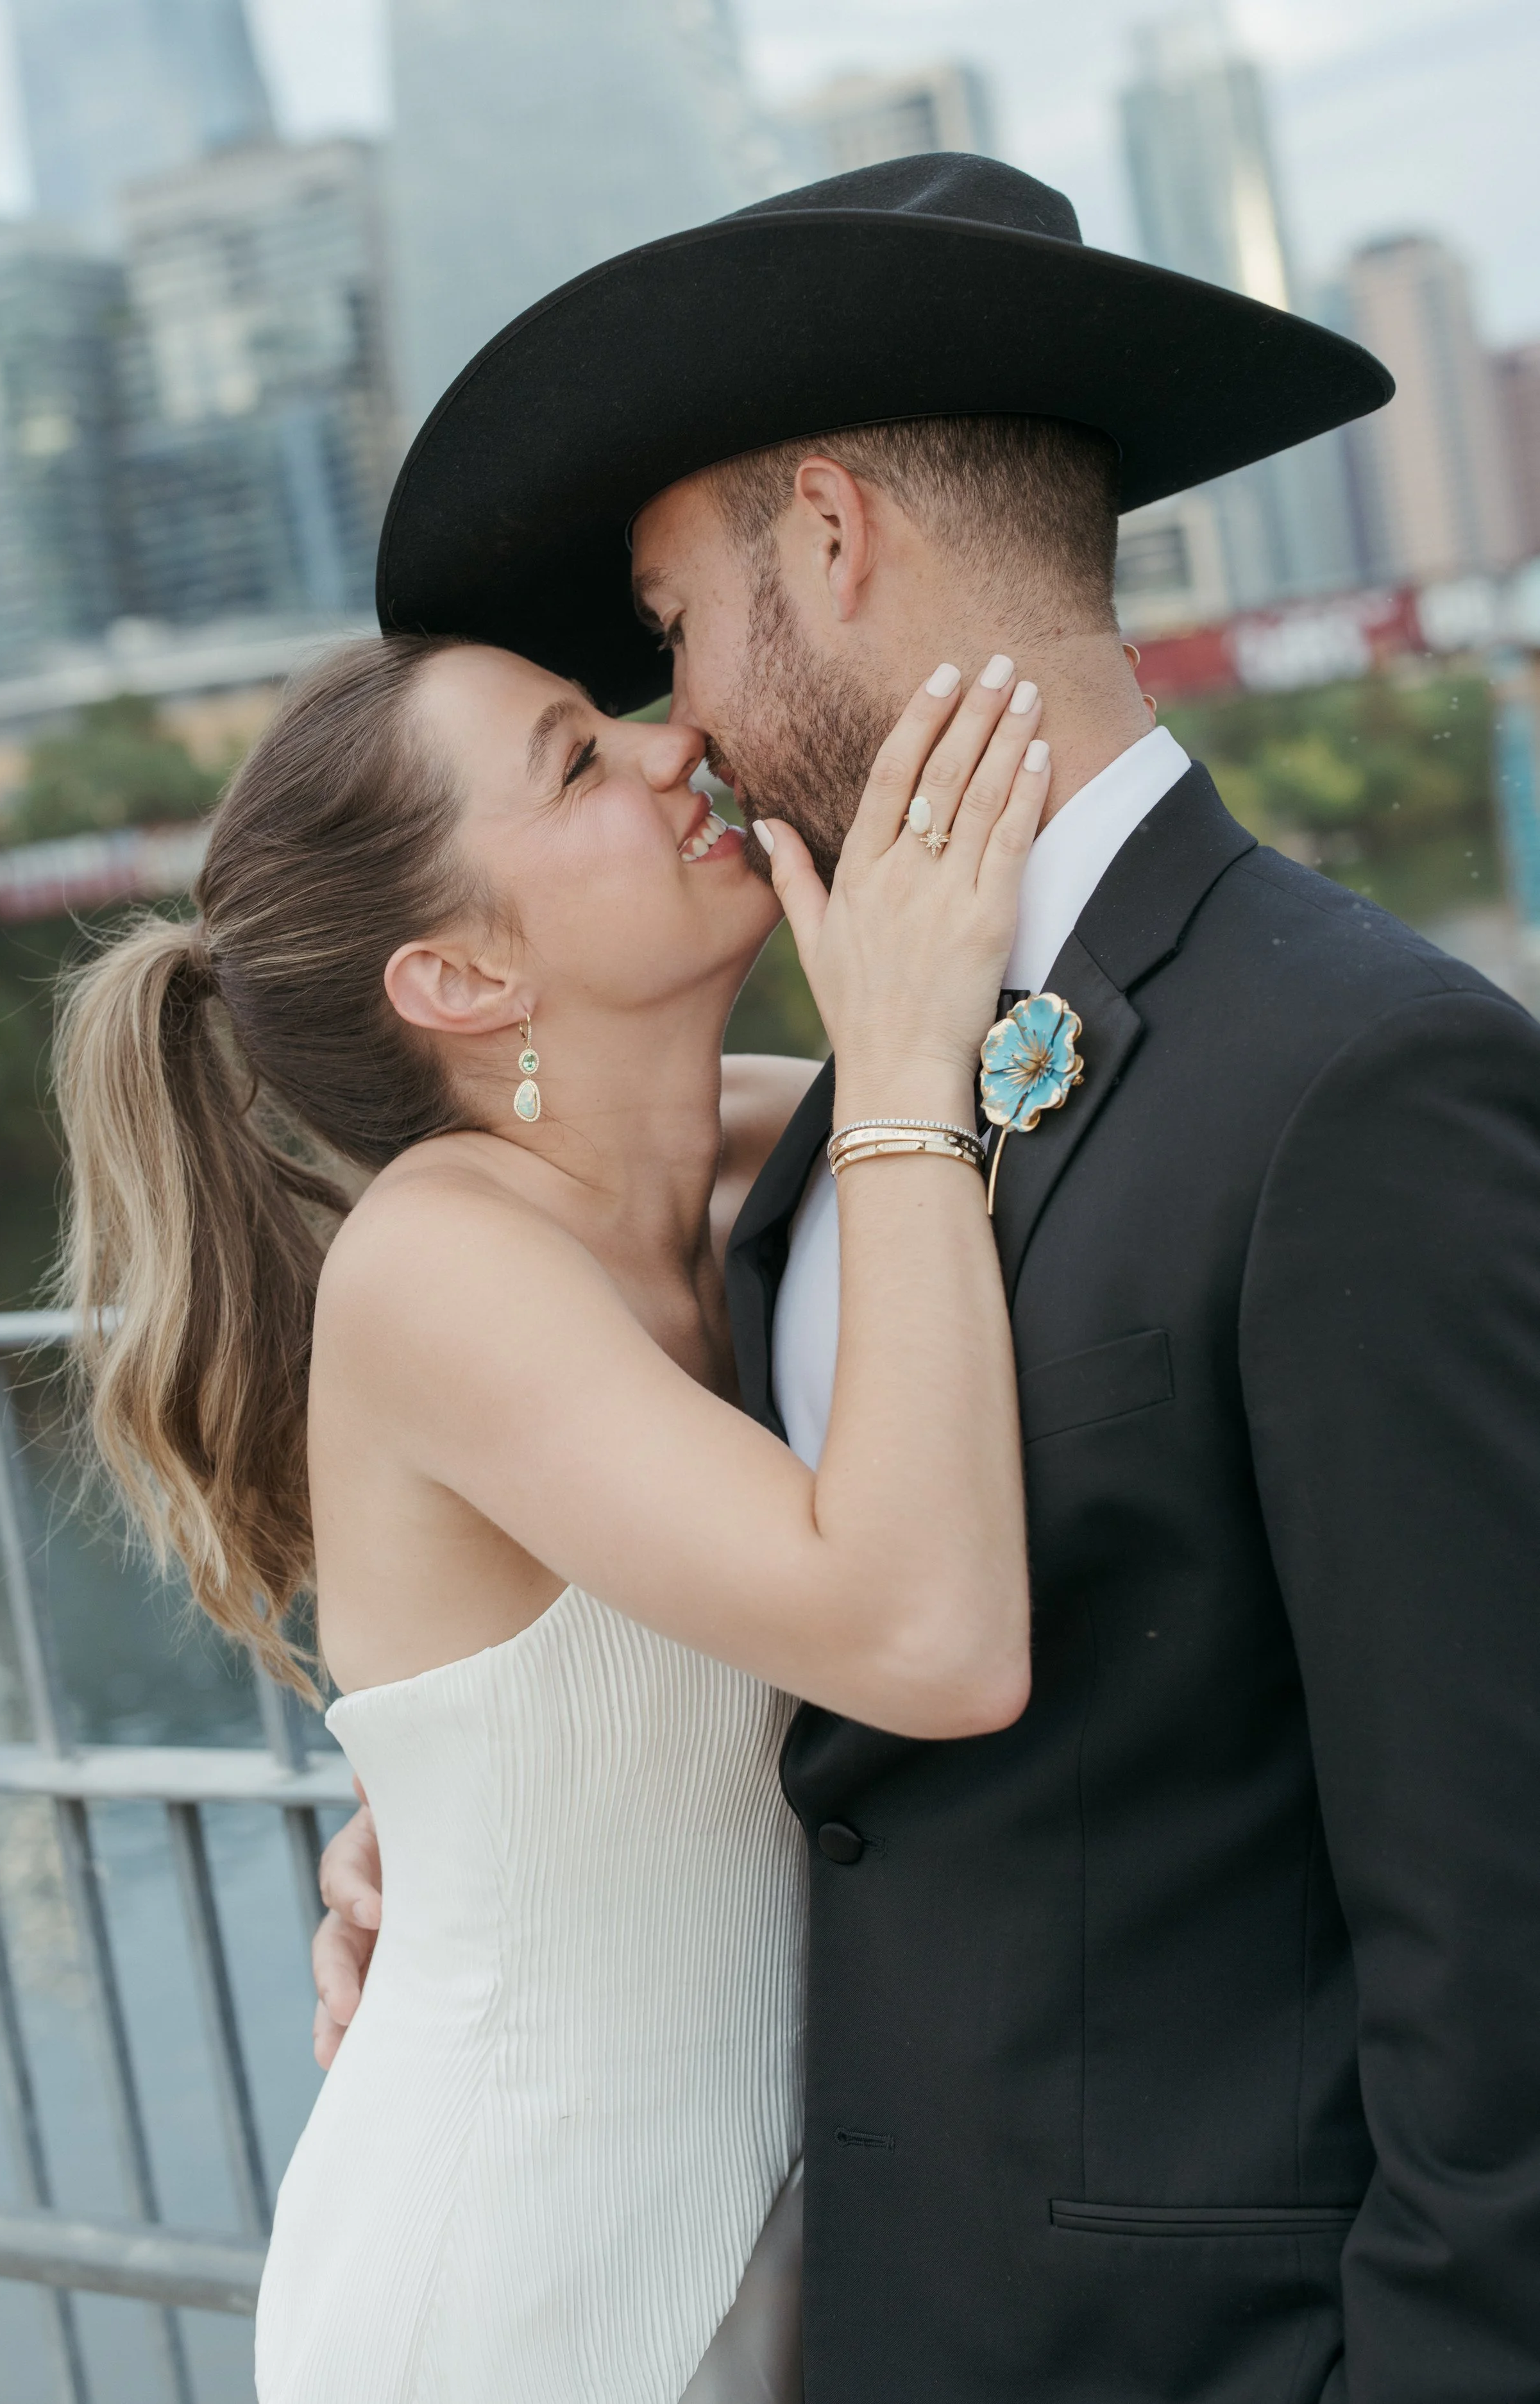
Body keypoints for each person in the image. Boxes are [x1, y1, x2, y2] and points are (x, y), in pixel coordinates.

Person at [319, 155, 1540, 2400]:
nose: (681, 718)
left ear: (828, 536)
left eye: (670, 625)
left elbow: (1505, 1935)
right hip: (847, 2312)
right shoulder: (825, 1121)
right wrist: (489, 1835)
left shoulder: (1358, 1077)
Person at [53, 620, 1056, 2400]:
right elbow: (931, 1638)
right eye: (579, 758)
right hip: (518, 2295)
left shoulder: (776, 1149)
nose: (675, 748)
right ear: (460, 978)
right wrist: (904, 1059)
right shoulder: (437, 1262)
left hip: (786, 2250)